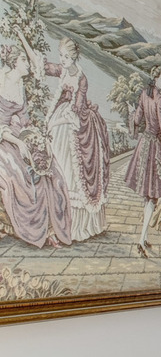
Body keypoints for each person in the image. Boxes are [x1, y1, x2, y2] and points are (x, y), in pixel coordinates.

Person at [21, 35, 110, 241]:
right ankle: (54, 221)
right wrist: (23, 39)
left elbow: (76, 111)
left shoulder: (82, 79)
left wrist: (54, 123)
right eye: (61, 55)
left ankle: (73, 226)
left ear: (74, 57)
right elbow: (43, 66)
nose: (62, 60)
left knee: (71, 170)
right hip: (59, 117)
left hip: (74, 124)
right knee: (54, 166)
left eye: (66, 57)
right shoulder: (62, 70)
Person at [0, 45, 70, 247]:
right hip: (5, 138)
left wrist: (37, 137)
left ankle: (51, 229)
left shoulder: (20, 84)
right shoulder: (2, 82)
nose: (28, 63)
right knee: (17, 175)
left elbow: (24, 119)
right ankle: (29, 229)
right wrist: (18, 142)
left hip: (20, 134)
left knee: (52, 171)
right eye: (24, 59)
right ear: (14, 62)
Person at [123, 67, 161, 255]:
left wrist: (131, 114)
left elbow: (137, 119)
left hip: (144, 144)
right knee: (152, 196)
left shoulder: (144, 94)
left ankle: (144, 238)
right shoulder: (159, 98)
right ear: (156, 79)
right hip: (154, 147)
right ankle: (141, 240)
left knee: (148, 196)